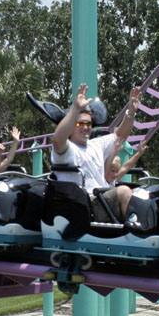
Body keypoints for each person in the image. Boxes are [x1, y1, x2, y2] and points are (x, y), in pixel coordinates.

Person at [51, 83, 140, 222]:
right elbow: (57, 139)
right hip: (84, 206)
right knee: (123, 191)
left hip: (103, 201)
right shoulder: (67, 150)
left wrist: (131, 113)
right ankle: (136, 235)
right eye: (80, 124)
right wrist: (76, 109)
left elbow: (120, 135)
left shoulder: (96, 145)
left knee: (142, 194)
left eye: (89, 124)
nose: (86, 127)